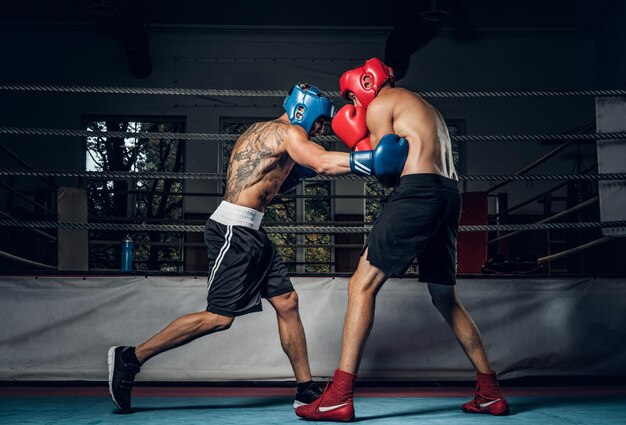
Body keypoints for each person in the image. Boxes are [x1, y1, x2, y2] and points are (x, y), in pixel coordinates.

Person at [107, 82, 407, 413]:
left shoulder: (264, 133)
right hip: (234, 230)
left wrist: (294, 173)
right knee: (219, 318)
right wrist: (370, 161)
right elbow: (321, 163)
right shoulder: (289, 133)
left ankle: (306, 388)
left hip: (253, 232)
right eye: (319, 122)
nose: (320, 130)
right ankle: (131, 358)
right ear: (302, 111)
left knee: (288, 302)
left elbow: (266, 181)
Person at [296, 58, 509, 422]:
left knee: (361, 286)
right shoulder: (426, 109)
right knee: (445, 297)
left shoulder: (380, 105)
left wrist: (360, 142)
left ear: (364, 85)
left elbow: (387, 170)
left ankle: (338, 396)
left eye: (353, 99)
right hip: (449, 194)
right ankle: (490, 392)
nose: (356, 107)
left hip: (418, 192)